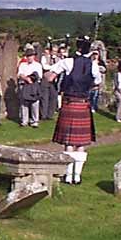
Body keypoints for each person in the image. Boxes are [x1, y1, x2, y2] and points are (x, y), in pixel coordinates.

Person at [48, 36, 102, 184]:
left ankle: (67, 175)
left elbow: (50, 76)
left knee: (69, 143)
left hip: (70, 103)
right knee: (81, 144)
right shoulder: (94, 66)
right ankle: (76, 176)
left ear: (77, 48)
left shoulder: (67, 62)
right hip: (83, 104)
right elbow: (97, 83)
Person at [17, 48, 43, 127]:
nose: (29, 57)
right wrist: (26, 78)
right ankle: (24, 121)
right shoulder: (23, 65)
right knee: (24, 104)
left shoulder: (38, 65)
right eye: (28, 56)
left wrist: (31, 78)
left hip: (34, 85)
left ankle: (34, 121)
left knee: (34, 103)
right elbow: (19, 74)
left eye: (31, 56)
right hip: (24, 85)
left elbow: (39, 76)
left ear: (34, 56)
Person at [40, 47, 58, 119]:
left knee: (53, 97)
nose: (54, 53)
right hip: (45, 80)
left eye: (56, 51)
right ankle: (43, 115)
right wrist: (53, 67)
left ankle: (50, 115)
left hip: (54, 81)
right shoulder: (44, 58)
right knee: (45, 98)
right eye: (53, 51)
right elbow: (45, 67)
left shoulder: (58, 59)